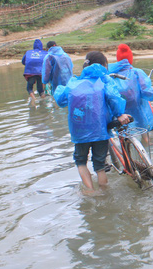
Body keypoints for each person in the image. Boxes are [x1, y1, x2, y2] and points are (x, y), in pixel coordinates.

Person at [54, 51, 131, 192]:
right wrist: (119, 114)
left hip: (79, 132)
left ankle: (90, 192)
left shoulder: (74, 82)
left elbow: (60, 99)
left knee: (81, 162)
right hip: (100, 130)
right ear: (104, 65)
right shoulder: (104, 81)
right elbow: (114, 98)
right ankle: (105, 193)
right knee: (100, 165)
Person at [108, 43, 153, 132]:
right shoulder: (136, 72)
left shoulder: (111, 74)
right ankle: (146, 142)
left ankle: (126, 142)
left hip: (121, 107)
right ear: (130, 58)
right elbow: (146, 90)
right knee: (143, 126)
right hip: (136, 104)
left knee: (124, 128)